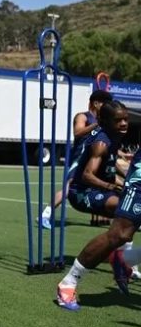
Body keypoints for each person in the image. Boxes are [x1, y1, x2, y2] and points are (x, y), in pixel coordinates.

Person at [55, 100, 133, 309]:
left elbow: (109, 167)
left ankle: (122, 258)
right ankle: (71, 282)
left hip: (99, 190)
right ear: (106, 121)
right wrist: (112, 186)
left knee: (126, 224)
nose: (125, 123)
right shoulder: (101, 142)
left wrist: (124, 181)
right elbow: (88, 175)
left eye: (126, 119)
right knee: (124, 215)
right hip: (83, 193)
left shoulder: (115, 137)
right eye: (119, 120)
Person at [39, 89, 113, 229]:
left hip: (92, 160)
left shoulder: (103, 121)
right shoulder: (83, 117)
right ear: (96, 103)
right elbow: (77, 132)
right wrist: (98, 124)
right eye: (105, 103)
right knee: (68, 188)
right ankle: (45, 215)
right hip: (79, 158)